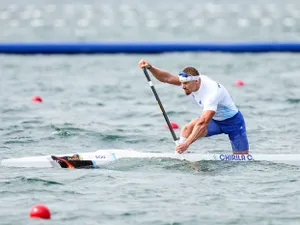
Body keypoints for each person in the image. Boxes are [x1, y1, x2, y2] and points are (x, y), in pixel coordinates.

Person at [138, 59, 249, 155]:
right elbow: (167, 78)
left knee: (241, 159)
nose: (182, 86)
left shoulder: (211, 93)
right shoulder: (190, 80)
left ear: (196, 81)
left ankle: (182, 147)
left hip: (234, 123)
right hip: (216, 122)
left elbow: (203, 123)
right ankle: (179, 154)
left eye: (185, 84)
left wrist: (187, 144)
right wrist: (151, 68)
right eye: (181, 83)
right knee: (187, 128)